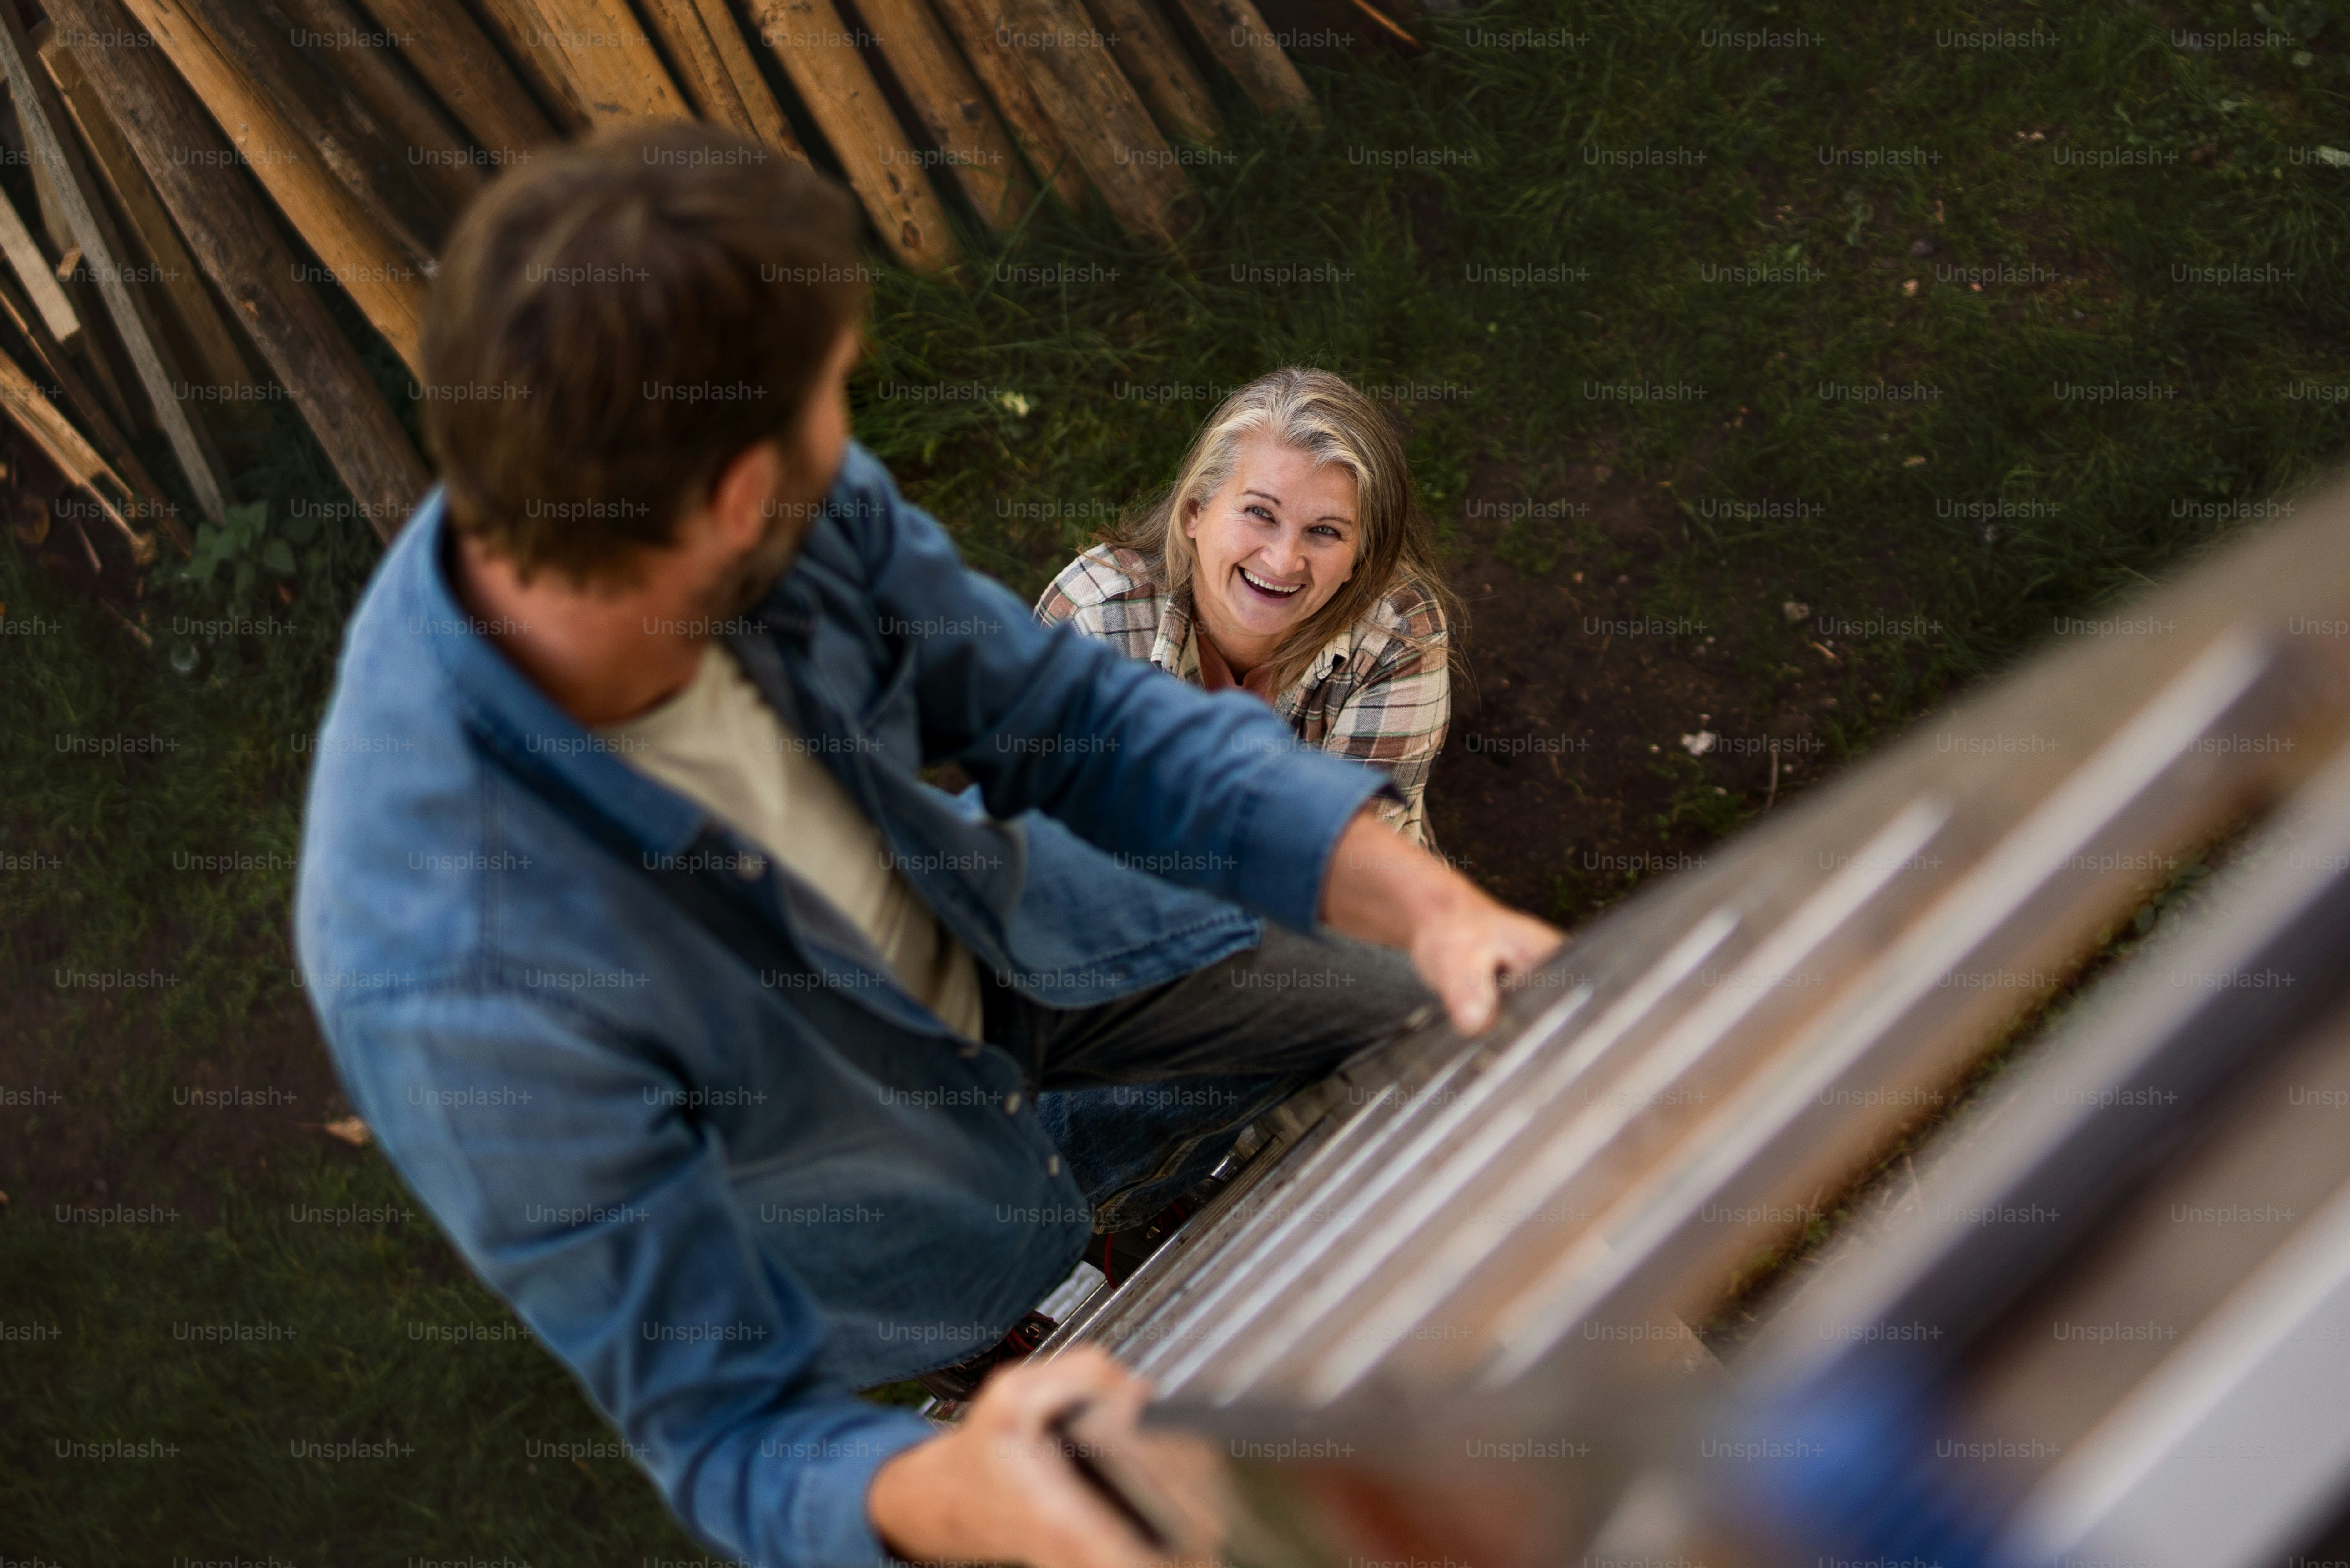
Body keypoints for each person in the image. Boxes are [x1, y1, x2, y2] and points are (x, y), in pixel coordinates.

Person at [295, 122, 1558, 1568]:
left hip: (1011, 931)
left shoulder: (746, 478)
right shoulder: (441, 974)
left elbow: (1056, 708)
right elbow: (721, 1426)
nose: (847, 471)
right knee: (1049, 1311)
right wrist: (954, 1496)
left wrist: (1421, 900)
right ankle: (1030, 1308)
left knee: (1405, 987)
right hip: (856, 1165)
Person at [1037, 369, 1457, 847]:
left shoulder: (1397, 634)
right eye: (1260, 513)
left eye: (1325, 531)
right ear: (1195, 511)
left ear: (1360, 556)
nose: (1283, 561)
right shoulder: (1090, 617)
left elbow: (1336, 869)